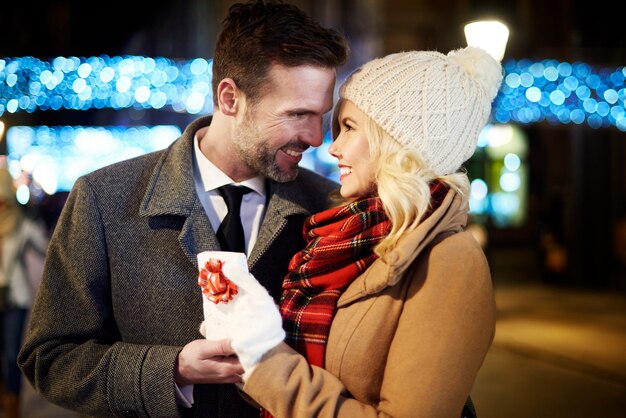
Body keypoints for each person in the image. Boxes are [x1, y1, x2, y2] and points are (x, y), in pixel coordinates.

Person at [17, 1, 348, 417]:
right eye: (297, 114)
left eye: (322, 116)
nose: (316, 137)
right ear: (230, 98)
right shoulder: (103, 197)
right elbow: (50, 359)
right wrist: (171, 370)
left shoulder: (332, 205)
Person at [221, 46, 503, 418]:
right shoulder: (341, 237)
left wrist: (265, 365)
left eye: (350, 127)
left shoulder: (448, 258)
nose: (332, 146)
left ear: (400, 141)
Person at [0, 165, 49, 418]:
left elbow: (47, 251)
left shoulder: (21, 225)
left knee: (11, 352)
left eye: (4, 200)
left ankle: (12, 405)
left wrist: (31, 214)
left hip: (14, 298)